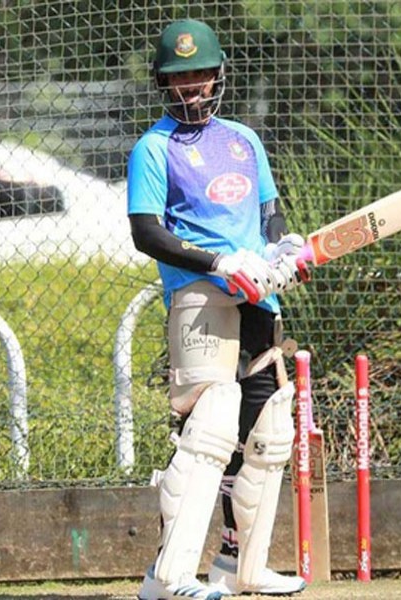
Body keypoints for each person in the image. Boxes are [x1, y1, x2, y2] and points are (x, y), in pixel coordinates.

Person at [127, 18, 309, 600]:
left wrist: (282, 247)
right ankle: (169, 577)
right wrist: (218, 263)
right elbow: (146, 233)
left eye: (201, 75)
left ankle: (242, 568)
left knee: (268, 432)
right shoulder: (153, 149)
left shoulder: (243, 140)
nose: (192, 88)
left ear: (218, 76)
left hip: (259, 295)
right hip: (201, 295)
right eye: (180, 78)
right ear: (164, 83)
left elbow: (270, 213)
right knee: (210, 428)